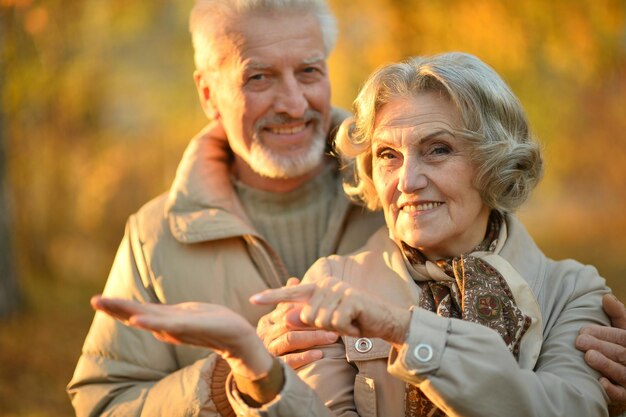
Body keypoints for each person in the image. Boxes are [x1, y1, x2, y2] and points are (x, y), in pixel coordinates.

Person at [67, 0, 626, 415]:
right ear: (208, 93)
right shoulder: (154, 235)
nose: (291, 102)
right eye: (257, 76)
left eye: (308, 70)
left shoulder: (427, 203)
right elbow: (103, 404)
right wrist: (230, 377)